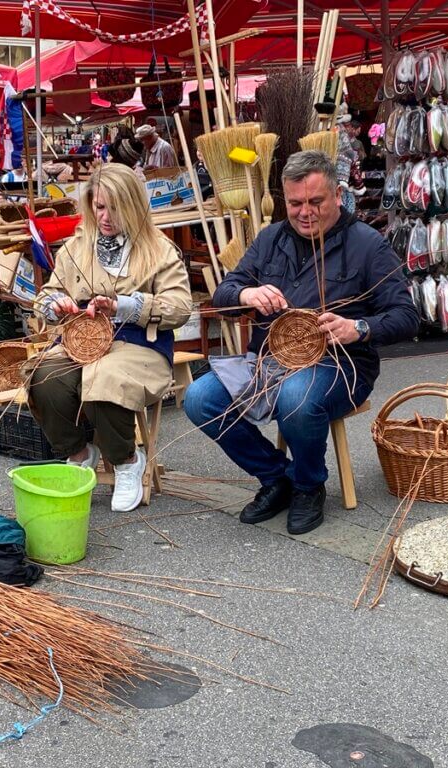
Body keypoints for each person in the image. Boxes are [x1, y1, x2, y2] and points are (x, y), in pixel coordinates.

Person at [184, 150, 418, 535]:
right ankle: (278, 478)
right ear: (285, 200)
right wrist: (246, 295)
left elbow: (406, 316)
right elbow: (225, 293)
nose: (304, 212)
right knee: (199, 398)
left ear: (337, 196)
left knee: (296, 395)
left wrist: (357, 326)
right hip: (269, 362)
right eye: (295, 203)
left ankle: (310, 486)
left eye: (315, 202)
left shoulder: (367, 244)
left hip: (342, 365)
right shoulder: (270, 239)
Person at [28, 164, 192, 512]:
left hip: (139, 344)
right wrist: (56, 304)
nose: (105, 216)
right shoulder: (77, 246)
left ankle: (127, 460)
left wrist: (129, 305)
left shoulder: (158, 249)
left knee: (104, 378)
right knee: (43, 377)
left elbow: (180, 307)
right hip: (82, 340)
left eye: (114, 208)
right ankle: (80, 453)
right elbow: (46, 294)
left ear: (132, 205)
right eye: (99, 206)